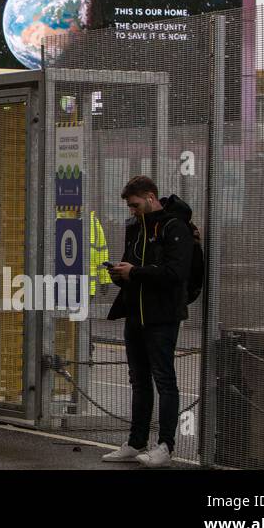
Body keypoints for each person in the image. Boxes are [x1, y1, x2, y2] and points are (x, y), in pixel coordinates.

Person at [102, 175, 194, 469]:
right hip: (135, 313)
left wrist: (136, 273)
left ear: (151, 198)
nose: (132, 211)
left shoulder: (173, 227)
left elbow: (176, 273)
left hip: (162, 316)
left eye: (135, 205)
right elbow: (134, 266)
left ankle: (166, 445)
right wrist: (119, 273)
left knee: (164, 379)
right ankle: (136, 441)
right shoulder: (135, 229)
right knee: (139, 380)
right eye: (130, 207)